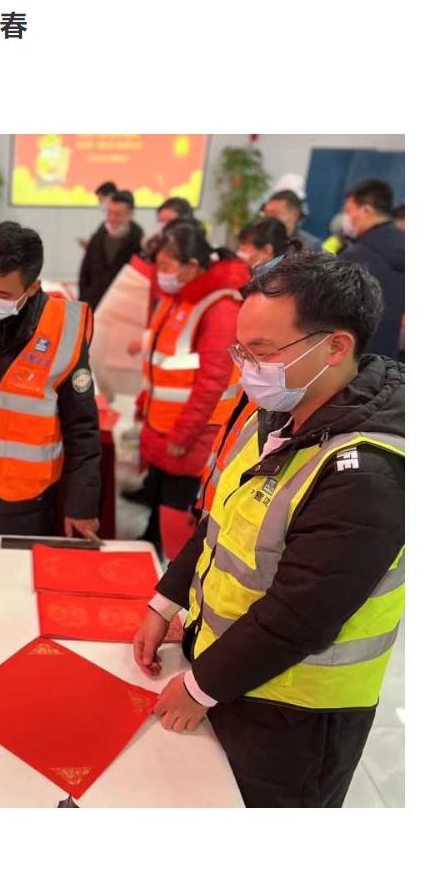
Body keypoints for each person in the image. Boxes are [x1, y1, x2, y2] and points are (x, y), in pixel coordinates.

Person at [134, 254, 404, 808]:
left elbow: (300, 615)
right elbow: (221, 523)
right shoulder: (283, 412)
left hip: (296, 715)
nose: (248, 369)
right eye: (241, 351)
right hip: (233, 673)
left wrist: (199, 688)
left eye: (262, 352)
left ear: (335, 347)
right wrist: (165, 602)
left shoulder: (369, 472)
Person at [0, 222, 101, 538]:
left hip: (29, 503)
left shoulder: (62, 330)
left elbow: (82, 429)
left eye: (2, 294)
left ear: (32, 287)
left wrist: (82, 506)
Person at [137, 222, 250, 559]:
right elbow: (162, 361)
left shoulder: (220, 308)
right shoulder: (178, 298)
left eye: (166, 266)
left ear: (192, 266)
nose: (160, 274)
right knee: (159, 502)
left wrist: (183, 433)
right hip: (164, 424)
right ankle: (152, 546)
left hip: (192, 433)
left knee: (178, 516)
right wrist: (145, 401)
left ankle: (171, 572)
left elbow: (212, 382)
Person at [340, 179, 404, 359]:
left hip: (362, 360)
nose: (347, 218)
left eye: (349, 211)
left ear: (366, 210)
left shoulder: (355, 257)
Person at [78, 189, 145, 310]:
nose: (112, 218)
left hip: (122, 309)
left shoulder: (140, 244)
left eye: (118, 214)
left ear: (131, 214)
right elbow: (85, 273)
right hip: (93, 305)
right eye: (109, 213)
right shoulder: (97, 238)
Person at [77, 181, 119, 251]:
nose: (100, 204)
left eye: (100, 200)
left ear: (111, 196)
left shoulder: (123, 224)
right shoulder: (105, 225)